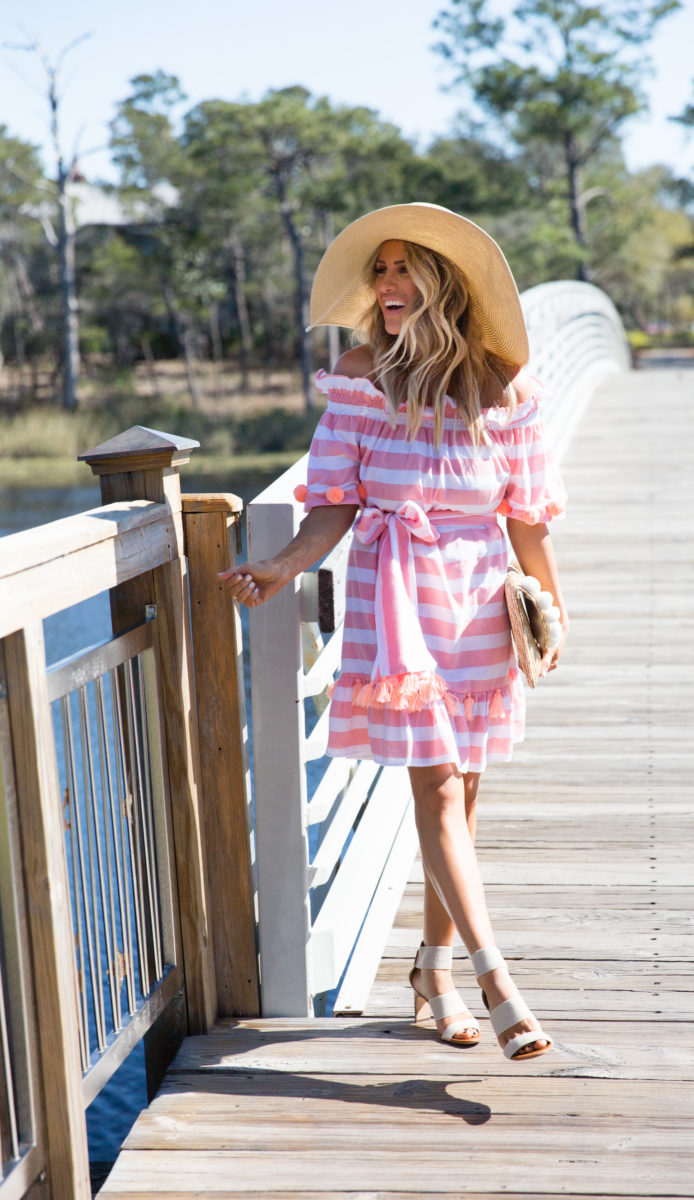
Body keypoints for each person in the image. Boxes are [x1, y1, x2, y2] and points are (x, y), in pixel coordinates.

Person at [220, 203, 568, 1061]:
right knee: (439, 791)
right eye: (380, 271)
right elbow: (334, 499)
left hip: (482, 596)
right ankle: (496, 983)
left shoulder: (504, 385)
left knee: (465, 797)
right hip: (399, 598)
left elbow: (527, 520)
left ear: (446, 284)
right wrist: (279, 567)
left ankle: (433, 970)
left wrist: (553, 609)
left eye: (404, 268)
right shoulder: (360, 376)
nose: (387, 285)